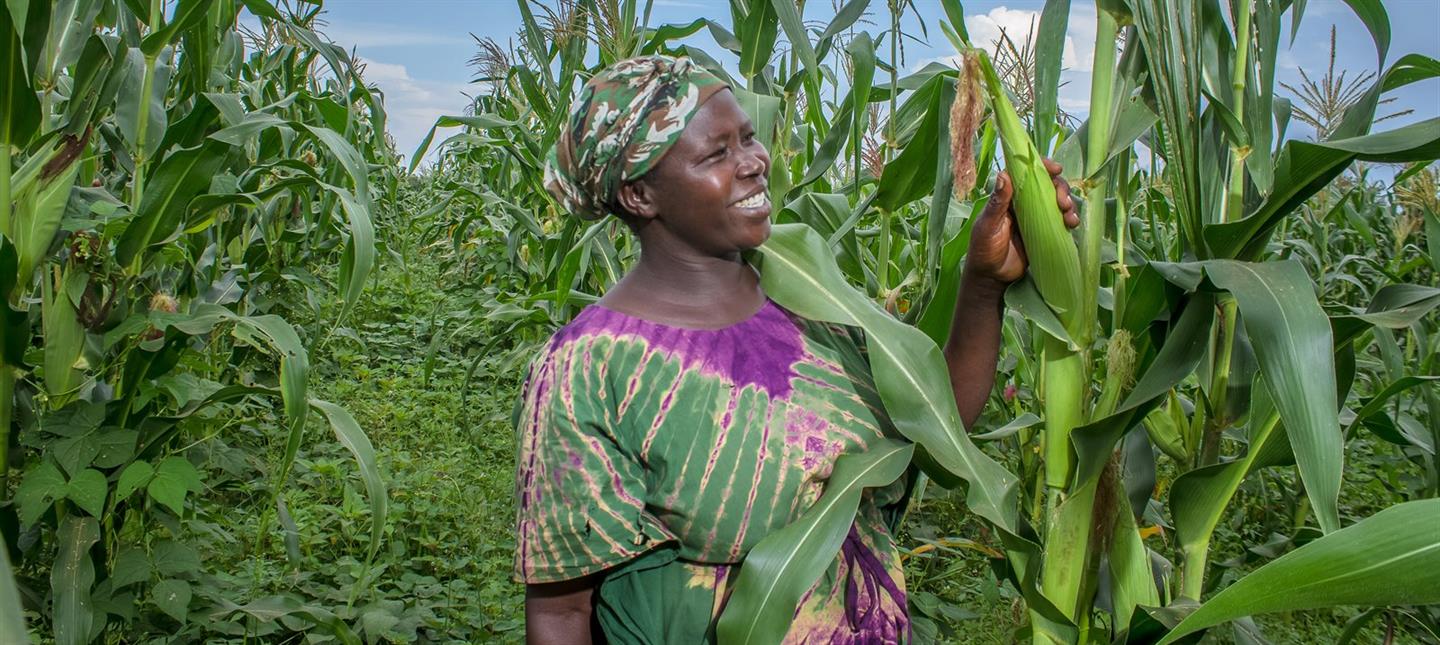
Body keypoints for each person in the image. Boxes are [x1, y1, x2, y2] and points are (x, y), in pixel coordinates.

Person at [512, 55, 1078, 644]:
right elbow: (560, 613)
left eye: (749, 140)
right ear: (638, 195)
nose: (754, 163)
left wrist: (982, 282)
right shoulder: (590, 366)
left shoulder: (810, 293)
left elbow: (940, 419)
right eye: (717, 154)